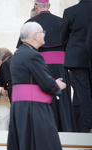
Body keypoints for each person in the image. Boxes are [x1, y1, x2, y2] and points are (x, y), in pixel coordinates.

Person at [16, 0, 75, 132]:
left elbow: (22, 49)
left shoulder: (30, 25)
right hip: (61, 67)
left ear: (36, 6)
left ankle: (45, 130)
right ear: (49, 6)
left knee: (44, 99)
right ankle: (65, 130)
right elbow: (69, 45)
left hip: (40, 67)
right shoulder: (61, 21)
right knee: (63, 101)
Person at [7, 21, 64, 150]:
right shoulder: (33, 55)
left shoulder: (19, 53)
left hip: (21, 107)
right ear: (35, 36)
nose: (44, 35)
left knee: (24, 143)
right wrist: (57, 84)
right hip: (33, 108)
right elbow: (47, 84)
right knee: (44, 144)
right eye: (42, 32)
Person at [60, 0, 92, 132]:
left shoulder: (70, 12)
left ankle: (89, 128)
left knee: (83, 94)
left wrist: (70, 50)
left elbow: (63, 37)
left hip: (77, 58)